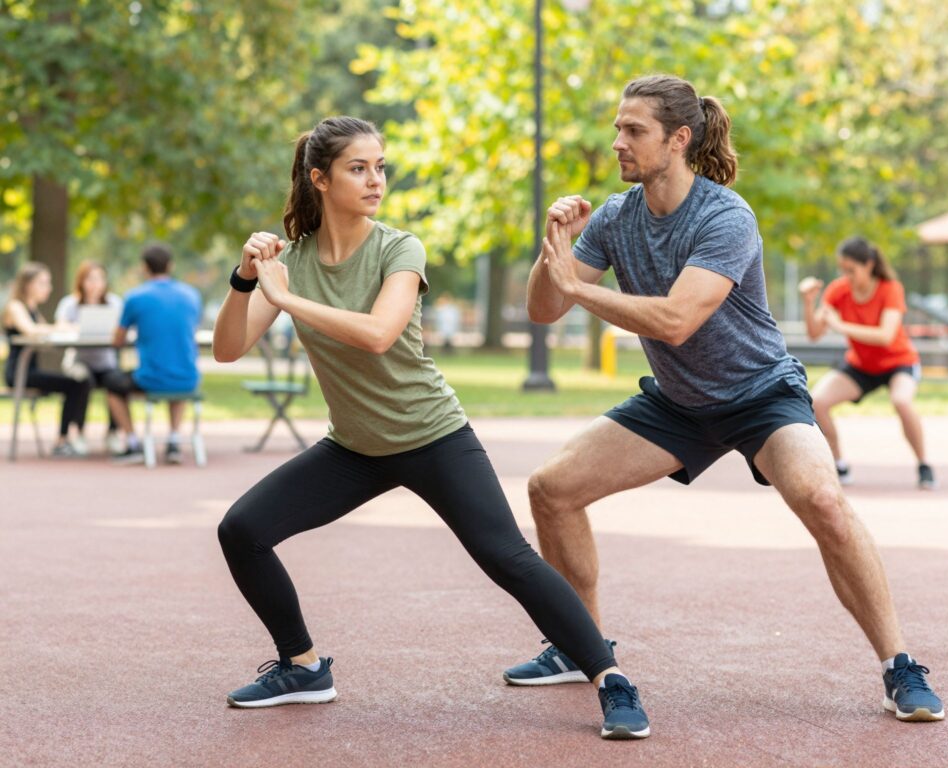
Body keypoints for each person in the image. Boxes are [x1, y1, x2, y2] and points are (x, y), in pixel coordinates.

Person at [505, 75, 944, 723]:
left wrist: (579, 289)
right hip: (678, 403)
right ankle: (579, 647)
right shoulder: (616, 216)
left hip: (761, 395)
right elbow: (544, 310)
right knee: (552, 489)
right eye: (618, 127)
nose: (617, 142)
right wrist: (558, 253)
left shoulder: (724, 216)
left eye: (634, 131)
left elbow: (676, 320)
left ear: (678, 140)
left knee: (823, 499)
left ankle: (899, 666)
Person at [212, 116, 649, 739]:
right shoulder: (297, 261)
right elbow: (229, 349)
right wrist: (245, 279)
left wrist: (284, 299)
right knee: (242, 529)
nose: (375, 180)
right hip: (355, 448)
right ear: (319, 178)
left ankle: (611, 679)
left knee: (507, 557)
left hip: (433, 436)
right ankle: (303, 667)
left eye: (380, 167)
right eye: (358, 168)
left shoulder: (399, 248)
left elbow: (378, 334)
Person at [800, 237, 935, 490]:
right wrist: (808, 303)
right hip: (861, 365)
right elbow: (815, 333)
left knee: (902, 401)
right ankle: (839, 465)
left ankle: (924, 465)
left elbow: (885, 336)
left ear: (869, 264)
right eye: (843, 270)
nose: (846, 276)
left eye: (852, 270)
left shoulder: (890, 288)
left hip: (898, 362)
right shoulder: (839, 290)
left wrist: (840, 326)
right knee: (817, 401)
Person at [106, 245, 202, 465]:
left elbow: (117, 341)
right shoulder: (191, 295)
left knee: (112, 382)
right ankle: (174, 441)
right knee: (177, 374)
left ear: (144, 268)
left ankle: (132, 443)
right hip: (189, 378)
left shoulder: (135, 297)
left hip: (151, 378)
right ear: (170, 266)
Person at [2, 262, 92, 457]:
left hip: (31, 371)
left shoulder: (33, 309)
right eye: (43, 283)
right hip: (19, 373)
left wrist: (62, 329)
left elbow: (46, 331)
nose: (48, 288)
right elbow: (31, 330)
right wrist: (63, 327)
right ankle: (62, 440)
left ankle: (70, 436)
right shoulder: (15, 307)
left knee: (80, 382)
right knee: (75, 384)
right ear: (27, 284)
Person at [55, 261, 126, 453]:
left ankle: (113, 432)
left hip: (106, 363)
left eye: (99, 278)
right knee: (81, 381)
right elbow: (60, 326)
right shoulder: (70, 304)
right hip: (79, 362)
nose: (95, 283)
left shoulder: (114, 303)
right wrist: (78, 328)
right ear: (82, 281)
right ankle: (79, 432)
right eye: (90, 279)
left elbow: (123, 329)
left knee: (118, 382)